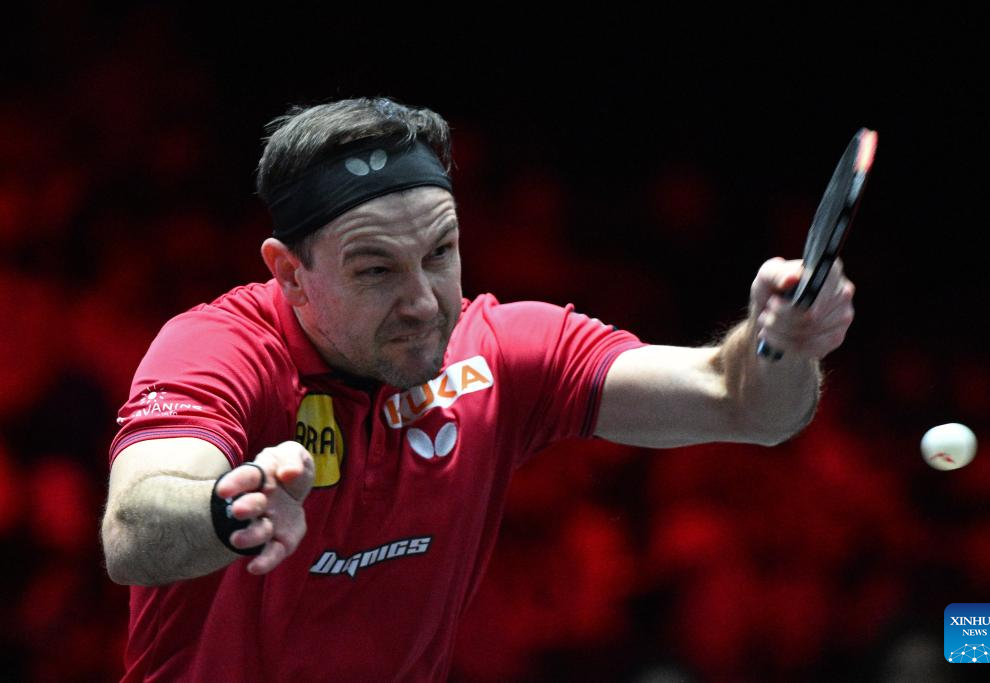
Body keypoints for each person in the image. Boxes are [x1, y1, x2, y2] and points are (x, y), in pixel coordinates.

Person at [101, 97, 854, 682]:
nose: (422, 302)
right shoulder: (220, 347)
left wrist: (780, 343)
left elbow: (745, 402)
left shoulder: (501, 352)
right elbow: (133, 527)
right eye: (376, 269)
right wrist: (230, 509)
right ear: (291, 273)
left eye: (440, 252)